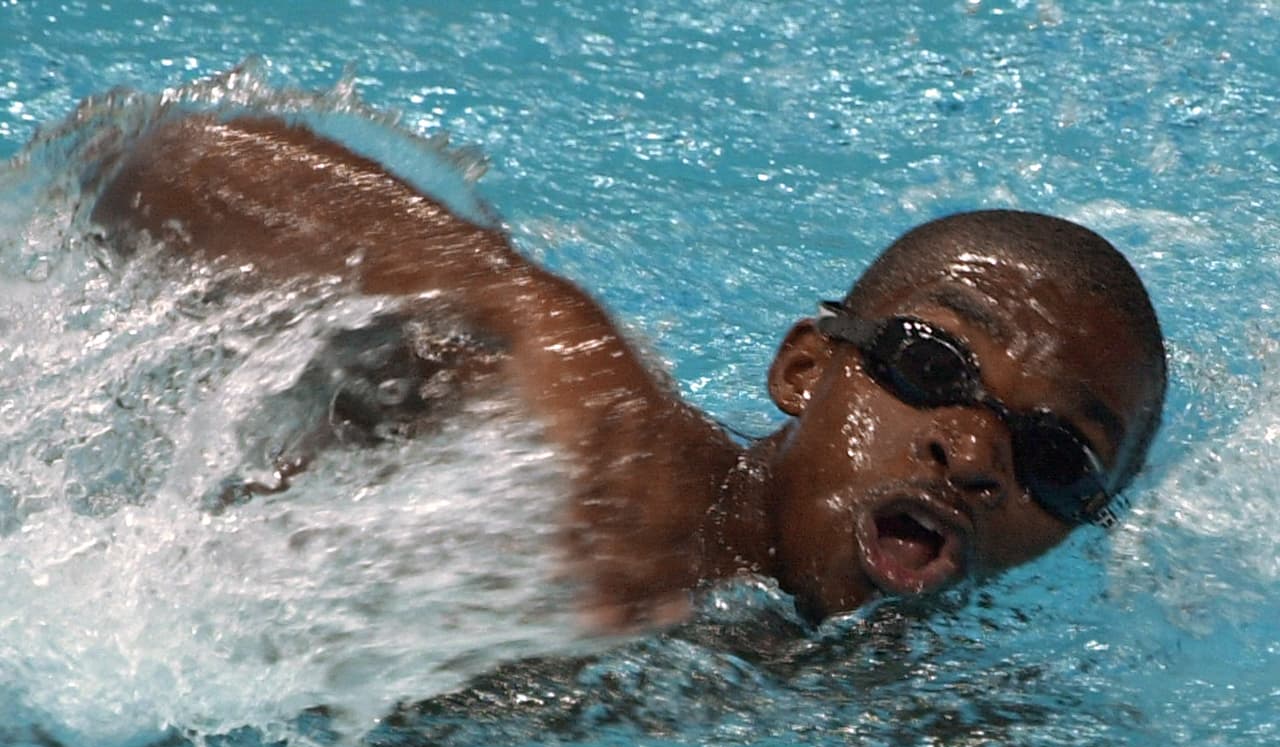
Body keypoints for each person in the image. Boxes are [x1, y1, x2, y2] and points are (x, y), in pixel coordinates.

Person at [89, 114, 1167, 629]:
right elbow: (146, 163)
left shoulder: (935, 741)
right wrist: (532, 313)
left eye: (1054, 455)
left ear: (1079, 523)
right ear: (803, 369)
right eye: (931, 363)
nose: (973, 452)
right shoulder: (543, 435)